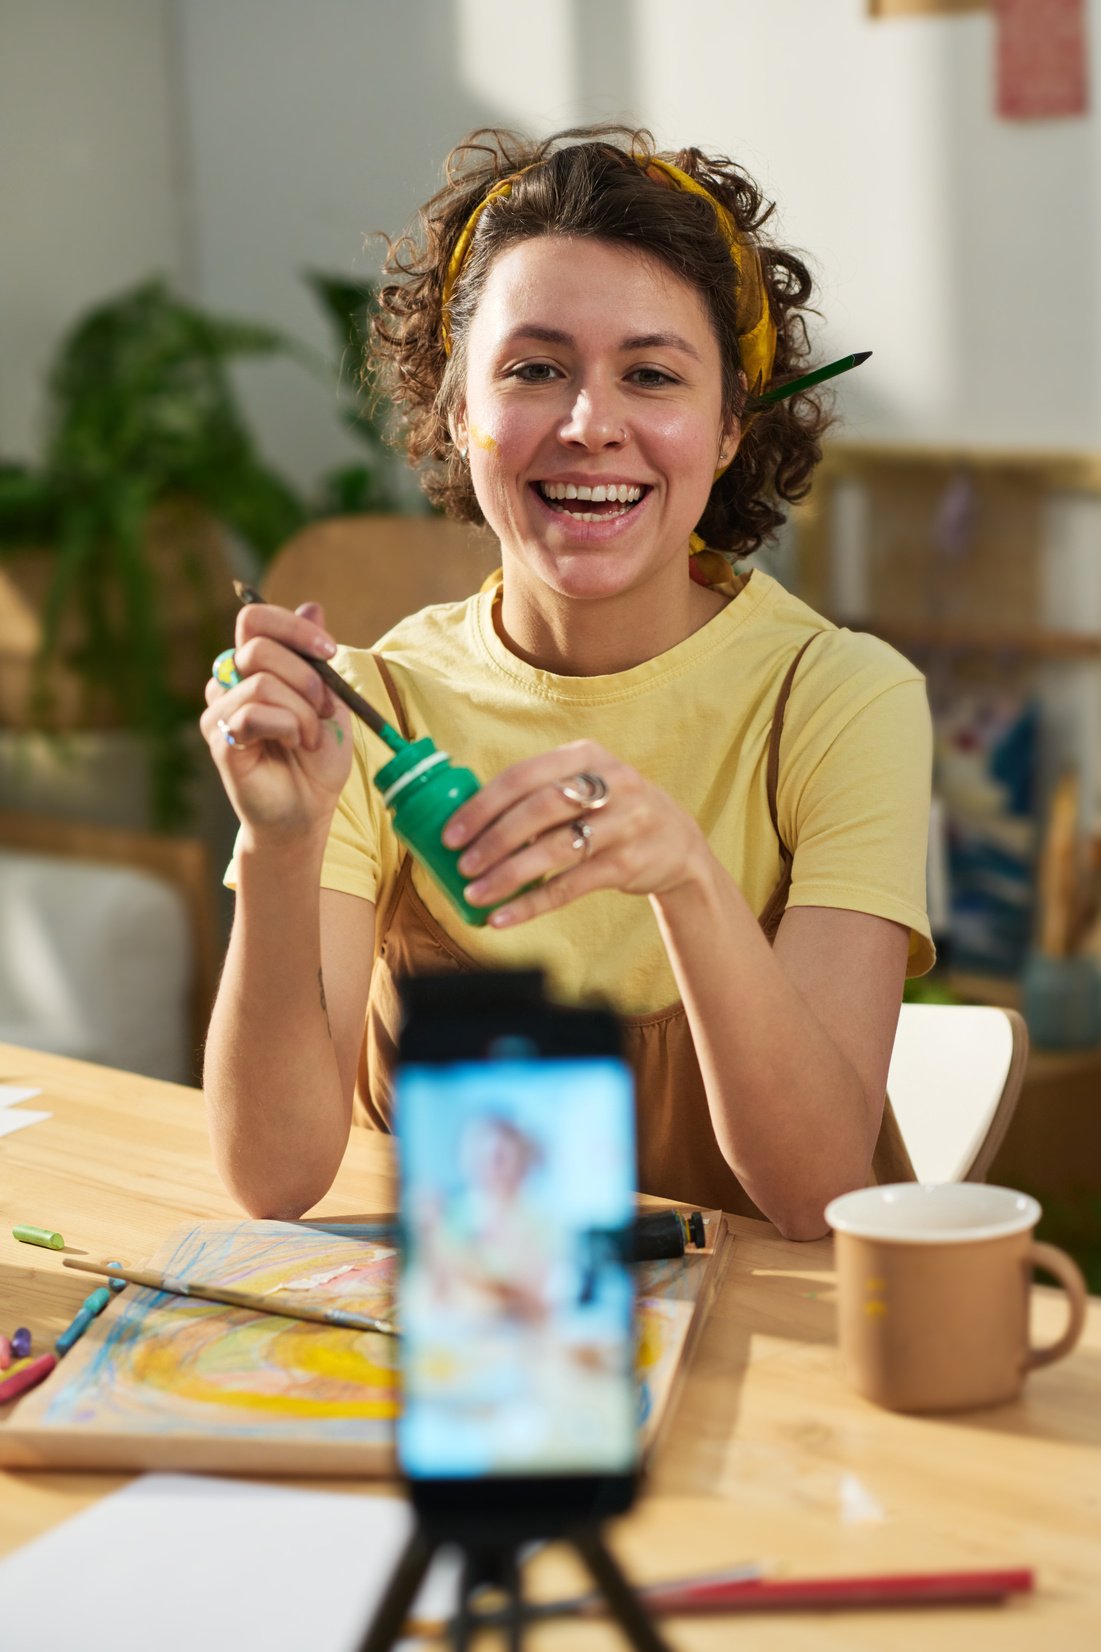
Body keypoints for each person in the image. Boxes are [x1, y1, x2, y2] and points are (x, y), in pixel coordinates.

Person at [201, 126, 934, 1240]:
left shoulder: (837, 701)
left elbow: (818, 1189)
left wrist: (687, 874)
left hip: (775, 1376)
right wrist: (282, 847)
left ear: (732, 425)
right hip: (475, 1347)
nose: (592, 426)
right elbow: (277, 1176)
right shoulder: (369, 710)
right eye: (535, 369)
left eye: (651, 374)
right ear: (456, 411)